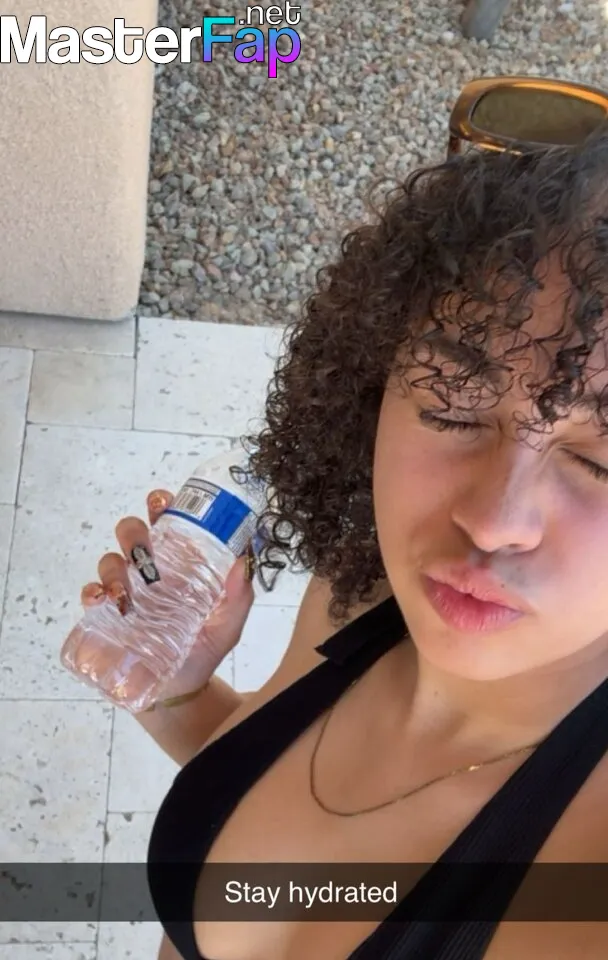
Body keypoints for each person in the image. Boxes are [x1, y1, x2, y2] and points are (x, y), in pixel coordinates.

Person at [80, 126, 608, 958]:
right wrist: (179, 691)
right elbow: (269, 820)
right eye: (453, 407)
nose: (494, 520)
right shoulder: (359, 591)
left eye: (597, 461)